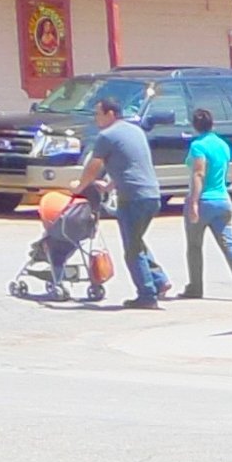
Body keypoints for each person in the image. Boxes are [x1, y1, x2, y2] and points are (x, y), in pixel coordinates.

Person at [71, 93, 169, 307]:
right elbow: (129, 165)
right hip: (152, 195)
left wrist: (80, 187)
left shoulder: (107, 136)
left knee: (132, 249)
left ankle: (147, 295)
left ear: (110, 114)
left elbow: (94, 166)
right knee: (137, 240)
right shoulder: (136, 131)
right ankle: (159, 280)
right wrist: (108, 186)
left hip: (133, 198)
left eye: (98, 114)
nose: (96, 118)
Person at [180, 107, 232, 303]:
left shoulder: (198, 146)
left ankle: (195, 286)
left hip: (205, 199)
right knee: (229, 243)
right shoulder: (223, 145)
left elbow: (199, 173)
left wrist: (194, 202)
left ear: (194, 125)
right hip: (223, 199)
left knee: (194, 245)